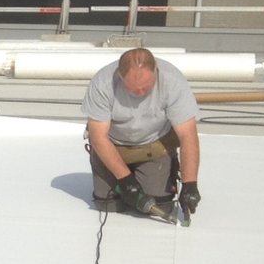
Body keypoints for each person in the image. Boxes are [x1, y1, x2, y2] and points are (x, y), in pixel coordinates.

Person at [82, 47, 201, 218]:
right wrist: (126, 181)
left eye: (146, 87)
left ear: (156, 70)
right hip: (112, 145)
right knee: (107, 204)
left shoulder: (173, 81)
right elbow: (98, 137)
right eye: (133, 89)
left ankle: (159, 172)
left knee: (159, 205)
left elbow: (187, 135)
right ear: (120, 76)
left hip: (154, 146)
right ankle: (117, 175)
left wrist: (190, 184)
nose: (139, 93)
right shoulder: (102, 83)